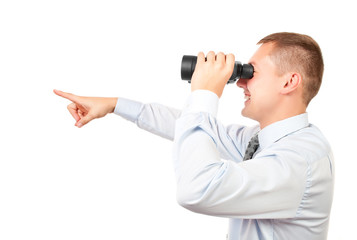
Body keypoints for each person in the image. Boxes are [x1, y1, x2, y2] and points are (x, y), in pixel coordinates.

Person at [54, 32, 334, 240]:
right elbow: (192, 127)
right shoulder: (265, 140)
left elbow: (197, 189)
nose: (241, 82)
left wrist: (205, 94)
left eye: (251, 72)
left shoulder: (299, 160)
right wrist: (115, 104)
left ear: (289, 82)